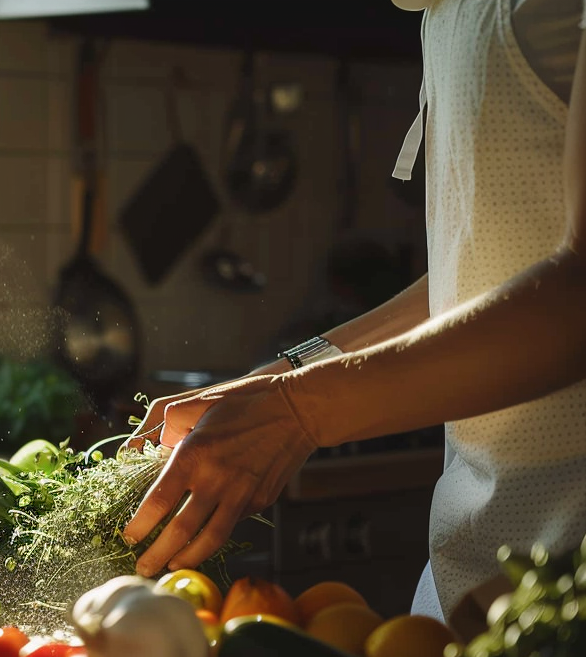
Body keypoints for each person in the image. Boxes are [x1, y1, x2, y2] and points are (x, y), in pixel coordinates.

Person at [122, 0, 586, 621]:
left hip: (569, 583)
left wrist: (299, 411)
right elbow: (482, 271)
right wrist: (284, 376)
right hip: (468, 585)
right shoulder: (445, 12)